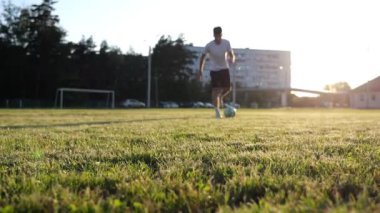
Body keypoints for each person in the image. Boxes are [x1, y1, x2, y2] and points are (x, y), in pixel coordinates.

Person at [197, 26, 235, 118]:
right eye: (216, 35)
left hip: (224, 68)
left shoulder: (226, 43)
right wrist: (200, 70)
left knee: (228, 88)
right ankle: (217, 111)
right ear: (214, 35)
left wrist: (232, 59)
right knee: (215, 90)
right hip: (214, 70)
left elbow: (231, 54)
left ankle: (220, 97)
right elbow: (202, 57)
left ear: (221, 34)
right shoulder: (209, 45)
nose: (217, 37)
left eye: (219, 35)